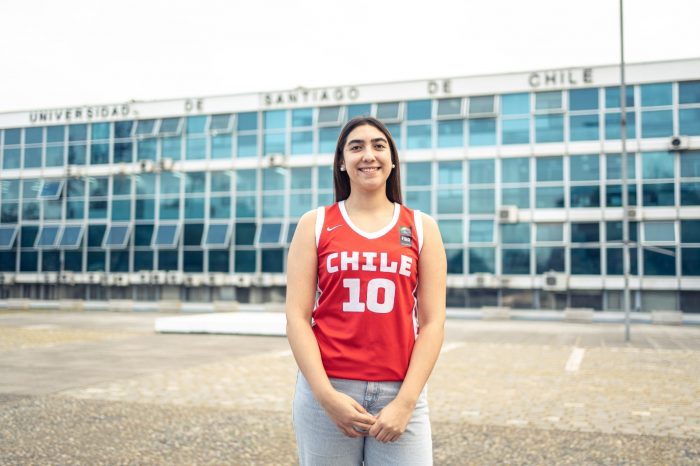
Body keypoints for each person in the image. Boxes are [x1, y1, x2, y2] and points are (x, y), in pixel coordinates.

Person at [286, 116, 446, 465]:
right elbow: (297, 318)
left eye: (378, 145)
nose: (368, 155)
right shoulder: (315, 224)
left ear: (392, 160)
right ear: (342, 162)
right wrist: (325, 396)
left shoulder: (421, 227)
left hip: (400, 391)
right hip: (329, 388)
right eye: (356, 147)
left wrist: (406, 402)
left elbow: (433, 323)